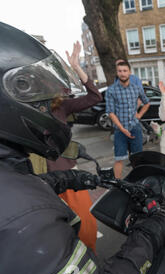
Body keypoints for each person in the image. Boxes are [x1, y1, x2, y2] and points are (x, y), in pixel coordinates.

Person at [0, 21, 165, 274]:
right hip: (115, 133)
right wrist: (150, 231)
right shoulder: (29, 218)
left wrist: (74, 178)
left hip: (64, 172)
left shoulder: (14, 178)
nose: (53, 101)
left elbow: (25, 189)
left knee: (86, 227)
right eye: (40, 98)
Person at [44, 41, 102, 252]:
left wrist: (77, 67)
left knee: (86, 225)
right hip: (40, 183)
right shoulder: (18, 108)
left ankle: (92, 264)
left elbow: (95, 97)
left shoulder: (62, 106)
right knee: (55, 236)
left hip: (67, 175)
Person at [106, 60, 150, 179]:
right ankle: (117, 184)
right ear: (117, 73)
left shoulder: (136, 88)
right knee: (118, 159)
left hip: (135, 128)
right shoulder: (111, 90)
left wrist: (139, 115)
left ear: (130, 72)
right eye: (120, 71)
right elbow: (110, 112)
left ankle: (140, 181)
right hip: (120, 131)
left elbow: (146, 103)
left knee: (137, 158)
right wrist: (122, 128)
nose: (122, 73)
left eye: (125, 71)